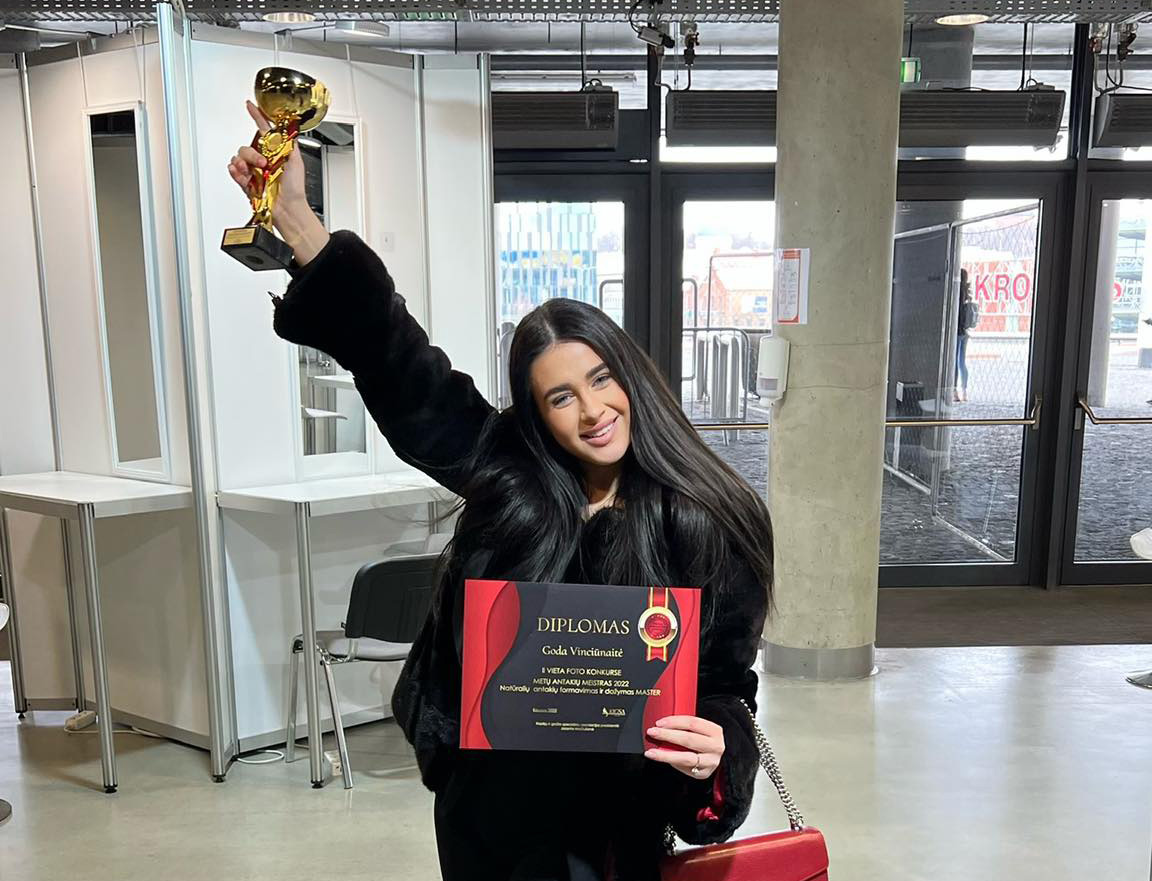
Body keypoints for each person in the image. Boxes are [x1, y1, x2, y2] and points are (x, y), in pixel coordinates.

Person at [229, 102, 773, 881]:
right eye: (560, 396)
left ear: (632, 377)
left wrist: (717, 747)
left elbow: (724, 688)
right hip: (485, 821)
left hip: (610, 833)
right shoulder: (511, 475)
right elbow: (402, 368)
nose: (591, 411)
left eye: (601, 379)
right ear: (538, 413)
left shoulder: (706, 518)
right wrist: (300, 226)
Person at [955, 268, 978, 403]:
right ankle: (964, 391)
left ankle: (954, 391)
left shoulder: (956, 293)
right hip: (965, 331)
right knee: (961, 362)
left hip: (957, 331)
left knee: (954, 362)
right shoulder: (967, 294)